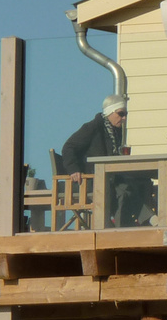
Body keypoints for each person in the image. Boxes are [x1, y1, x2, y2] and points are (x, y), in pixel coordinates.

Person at [61, 93, 148, 226]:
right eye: (121, 114)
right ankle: (128, 226)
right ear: (110, 112)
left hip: (109, 178)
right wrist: (74, 170)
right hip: (90, 180)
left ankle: (131, 224)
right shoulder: (93, 128)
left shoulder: (114, 131)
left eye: (125, 114)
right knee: (123, 191)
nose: (124, 118)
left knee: (139, 184)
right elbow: (68, 147)